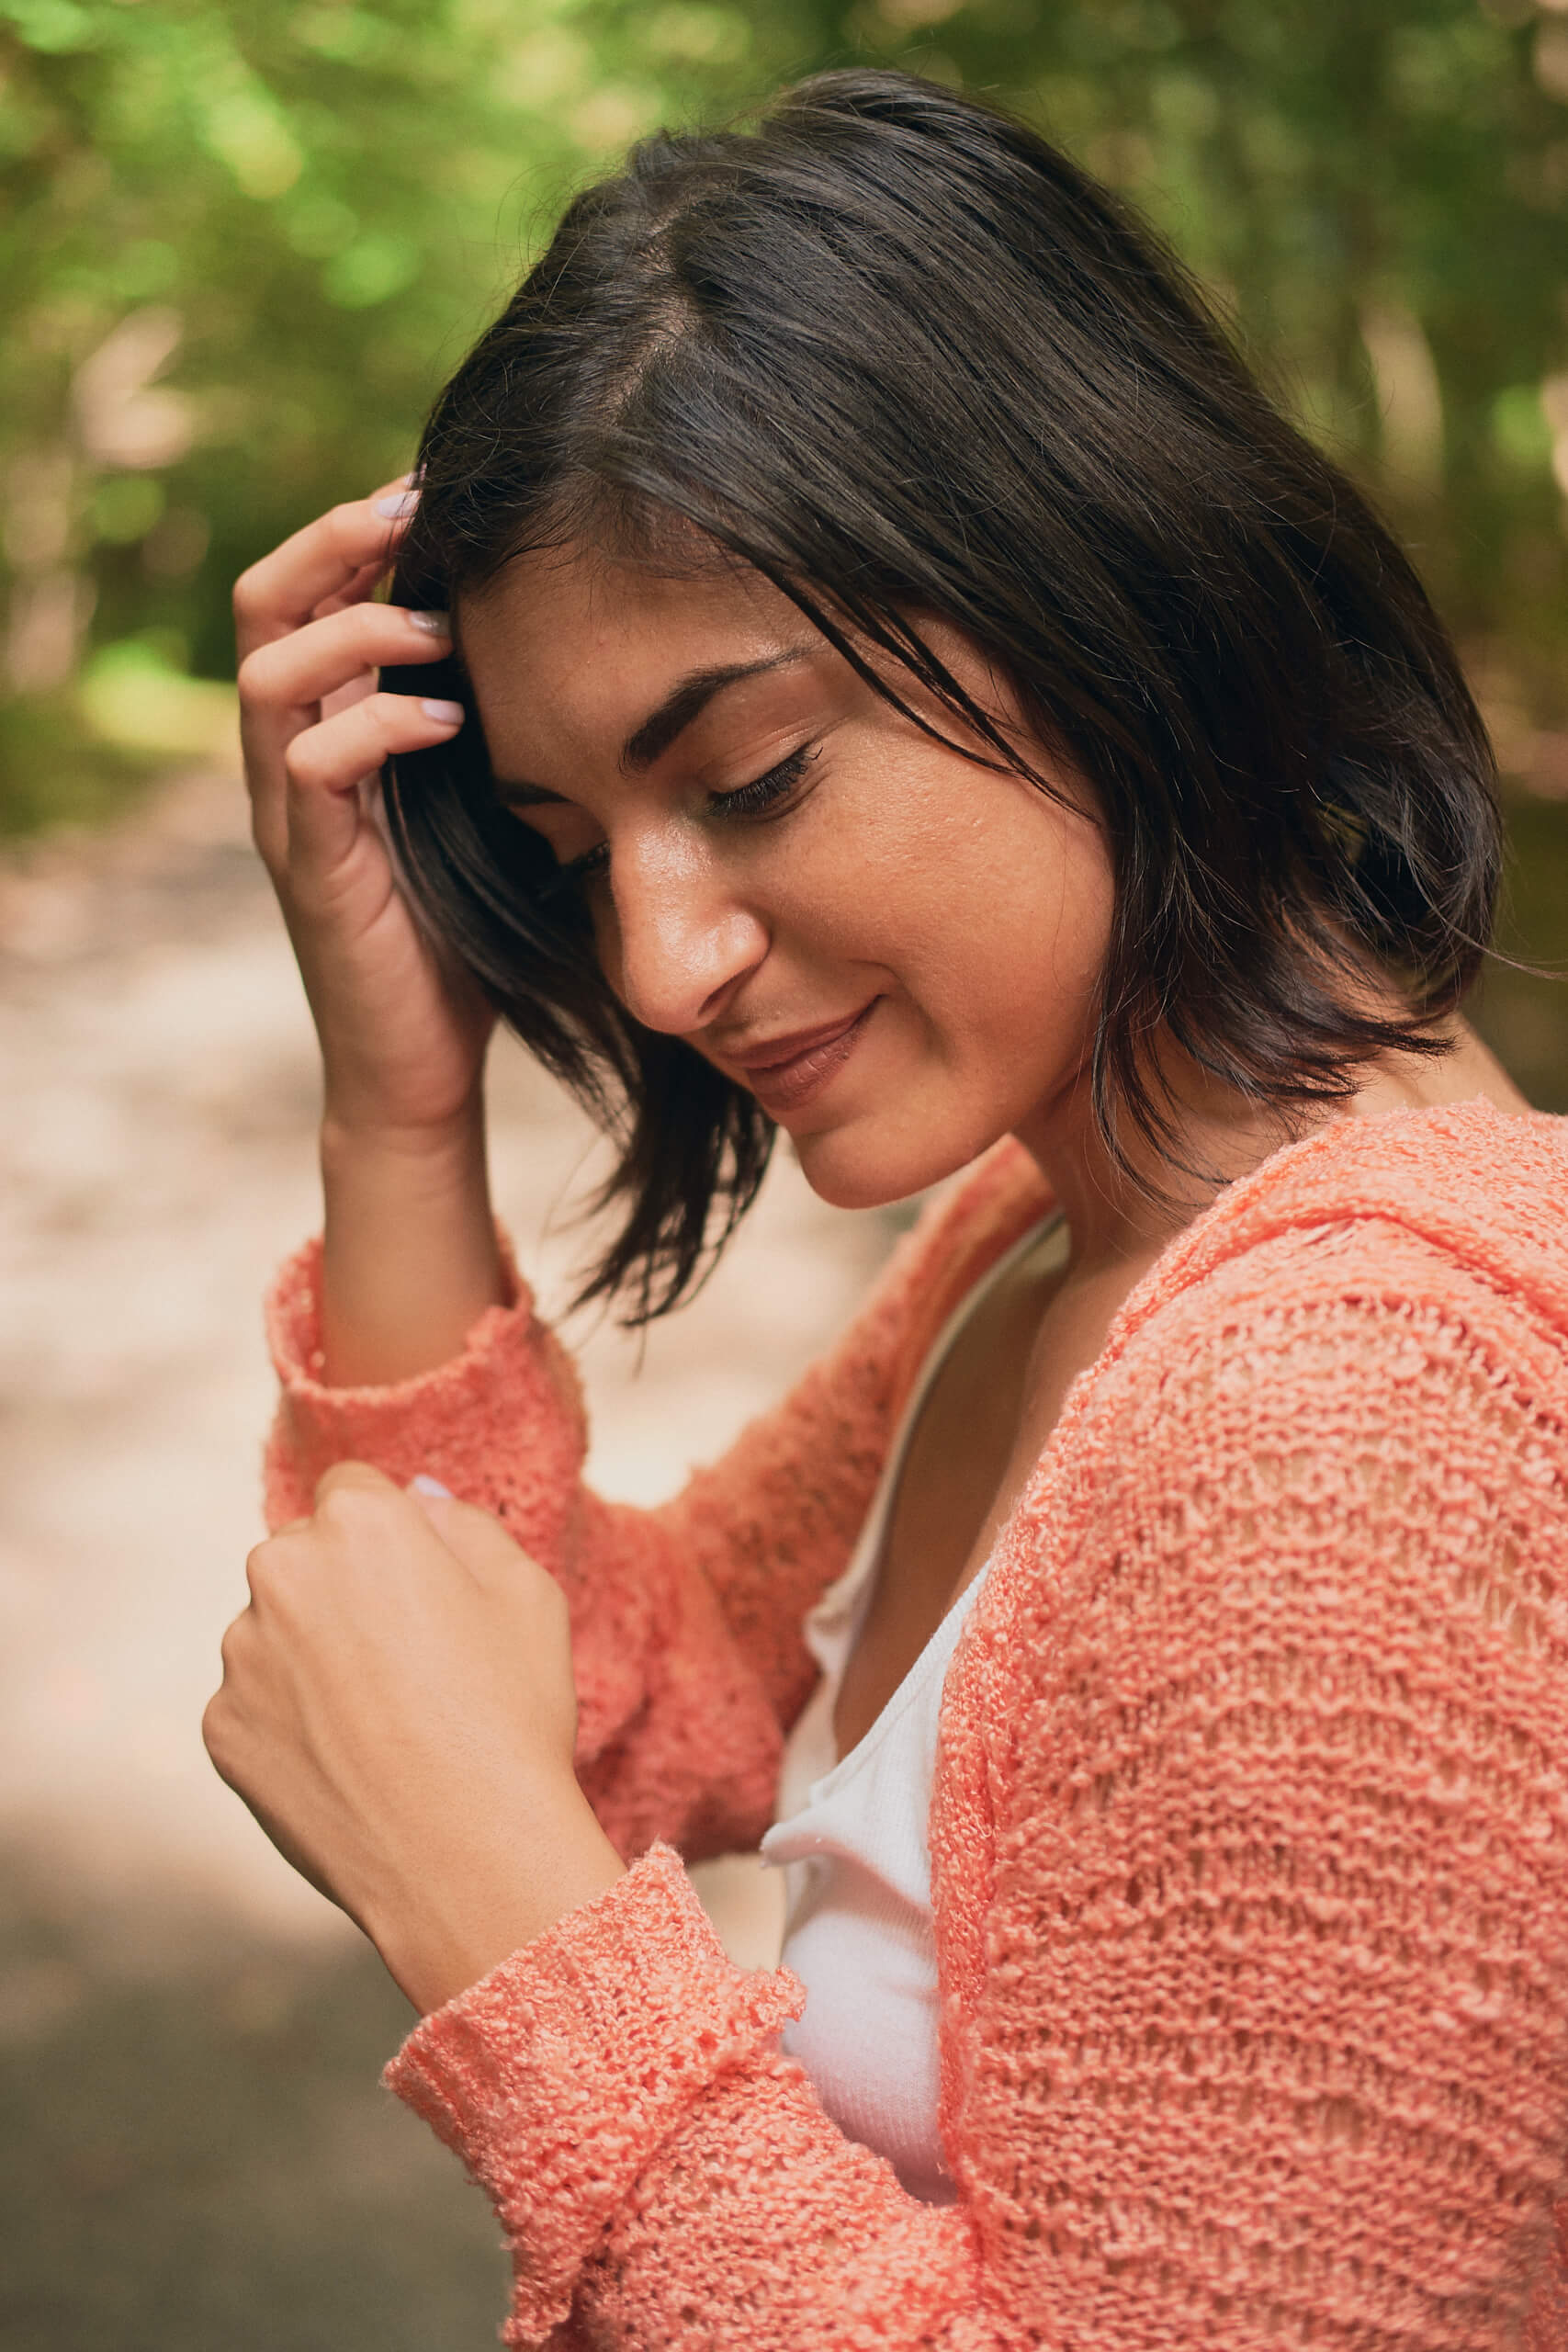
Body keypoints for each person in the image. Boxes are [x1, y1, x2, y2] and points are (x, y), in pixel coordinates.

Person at [205, 67, 1568, 2351]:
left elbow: (508, 1800)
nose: (653, 963)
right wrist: (399, 1106)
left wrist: (520, 1948)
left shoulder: (1348, 1419)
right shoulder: (1064, 1241)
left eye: (745, 779)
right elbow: (573, 1701)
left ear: (1112, 583)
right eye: (565, 850)